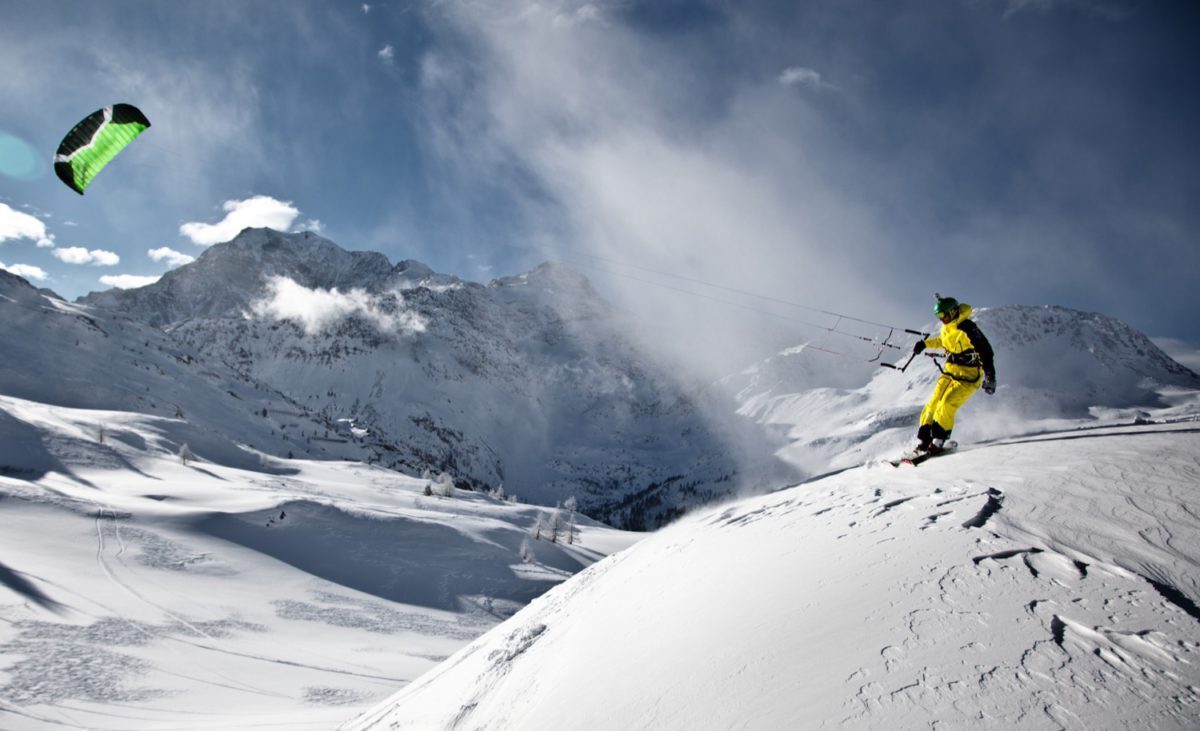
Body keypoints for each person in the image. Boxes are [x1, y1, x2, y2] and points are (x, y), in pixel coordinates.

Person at [910, 294, 996, 454]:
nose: (942, 319)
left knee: (946, 404)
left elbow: (986, 351)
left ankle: (939, 439)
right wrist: (924, 344)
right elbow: (942, 341)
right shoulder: (947, 328)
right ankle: (924, 440)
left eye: (943, 315)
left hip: (968, 377)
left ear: (953, 311)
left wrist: (990, 376)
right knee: (932, 404)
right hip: (950, 373)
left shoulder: (967, 327)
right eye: (938, 316)